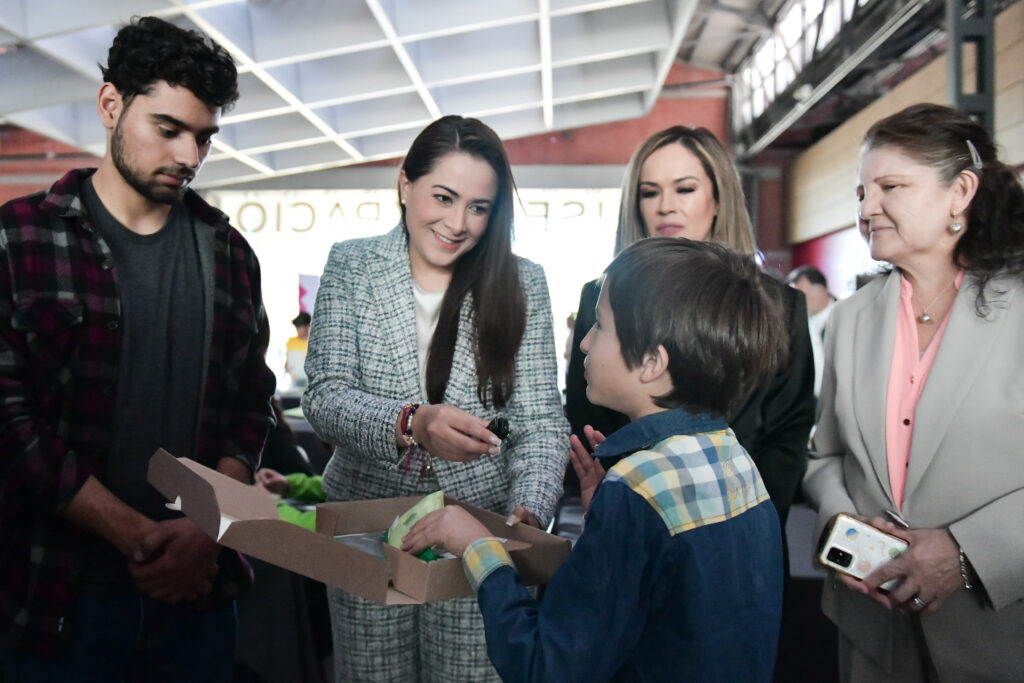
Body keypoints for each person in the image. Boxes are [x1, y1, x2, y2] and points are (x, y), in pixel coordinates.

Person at [0, 16, 276, 681]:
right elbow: (9, 423)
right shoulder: (19, 239)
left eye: (204, 137)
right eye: (169, 129)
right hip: (57, 598)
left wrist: (208, 525)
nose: (189, 156)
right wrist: (140, 536)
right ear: (110, 105)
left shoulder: (229, 253)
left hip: (199, 596)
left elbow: (251, 404)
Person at [403, 237, 787, 681]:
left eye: (600, 326)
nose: (584, 343)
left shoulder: (637, 491)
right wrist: (605, 518)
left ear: (651, 362)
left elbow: (546, 666)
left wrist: (475, 546)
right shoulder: (734, 456)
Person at [301, 115, 568, 681]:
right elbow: (324, 397)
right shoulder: (352, 266)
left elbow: (541, 422)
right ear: (404, 184)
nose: (457, 223)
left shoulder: (523, 283)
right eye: (443, 197)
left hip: (479, 530)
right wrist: (411, 422)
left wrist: (530, 510)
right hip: (366, 528)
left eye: (478, 207)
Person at [803, 103, 1024, 681]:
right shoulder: (850, 319)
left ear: (961, 193)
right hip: (871, 627)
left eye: (890, 187)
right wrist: (839, 527)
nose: (867, 207)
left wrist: (968, 553)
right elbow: (824, 455)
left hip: (999, 629)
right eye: (860, 192)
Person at [565, 125, 815, 531]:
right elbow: (586, 419)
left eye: (684, 189)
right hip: (626, 526)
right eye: (650, 192)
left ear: (718, 198)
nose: (666, 206)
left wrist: (745, 521)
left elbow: (786, 437)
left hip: (743, 529)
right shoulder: (598, 296)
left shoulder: (781, 305)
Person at [786, 265, 836, 399]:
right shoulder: (797, 326)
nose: (797, 302)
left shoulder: (845, 319)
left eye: (801, 294)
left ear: (820, 290)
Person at [285, 311, 311, 389]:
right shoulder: (291, 342)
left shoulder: (312, 344)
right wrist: (288, 369)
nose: (299, 330)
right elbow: (287, 362)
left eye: (301, 327)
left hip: (308, 383)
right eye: (297, 327)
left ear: (308, 326)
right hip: (294, 382)